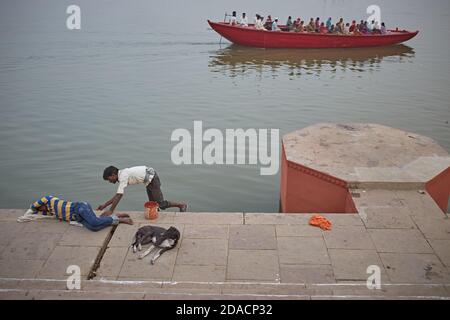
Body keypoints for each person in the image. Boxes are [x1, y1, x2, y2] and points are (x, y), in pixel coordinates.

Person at [99, 165, 188, 215]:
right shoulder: (122, 174)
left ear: (113, 175)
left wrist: (110, 210)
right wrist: (105, 205)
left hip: (152, 179)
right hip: (148, 180)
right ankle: (156, 216)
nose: (109, 181)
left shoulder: (123, 176)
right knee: (153, 204)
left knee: (161, 204)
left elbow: (119, 195)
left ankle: (181, 205)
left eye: (109, 179)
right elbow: (117, 195)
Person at [25, 195, 133, 231]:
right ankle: (114, 217)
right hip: (78, 218)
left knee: (95, 222)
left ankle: (120, 220)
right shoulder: (50, 212)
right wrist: (36, 212)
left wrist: (33, 209)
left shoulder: (48, 200)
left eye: (41, 207)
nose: (42, 209)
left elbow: (34, 206)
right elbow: (38, 214)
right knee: (93, 228)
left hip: (79, 207)